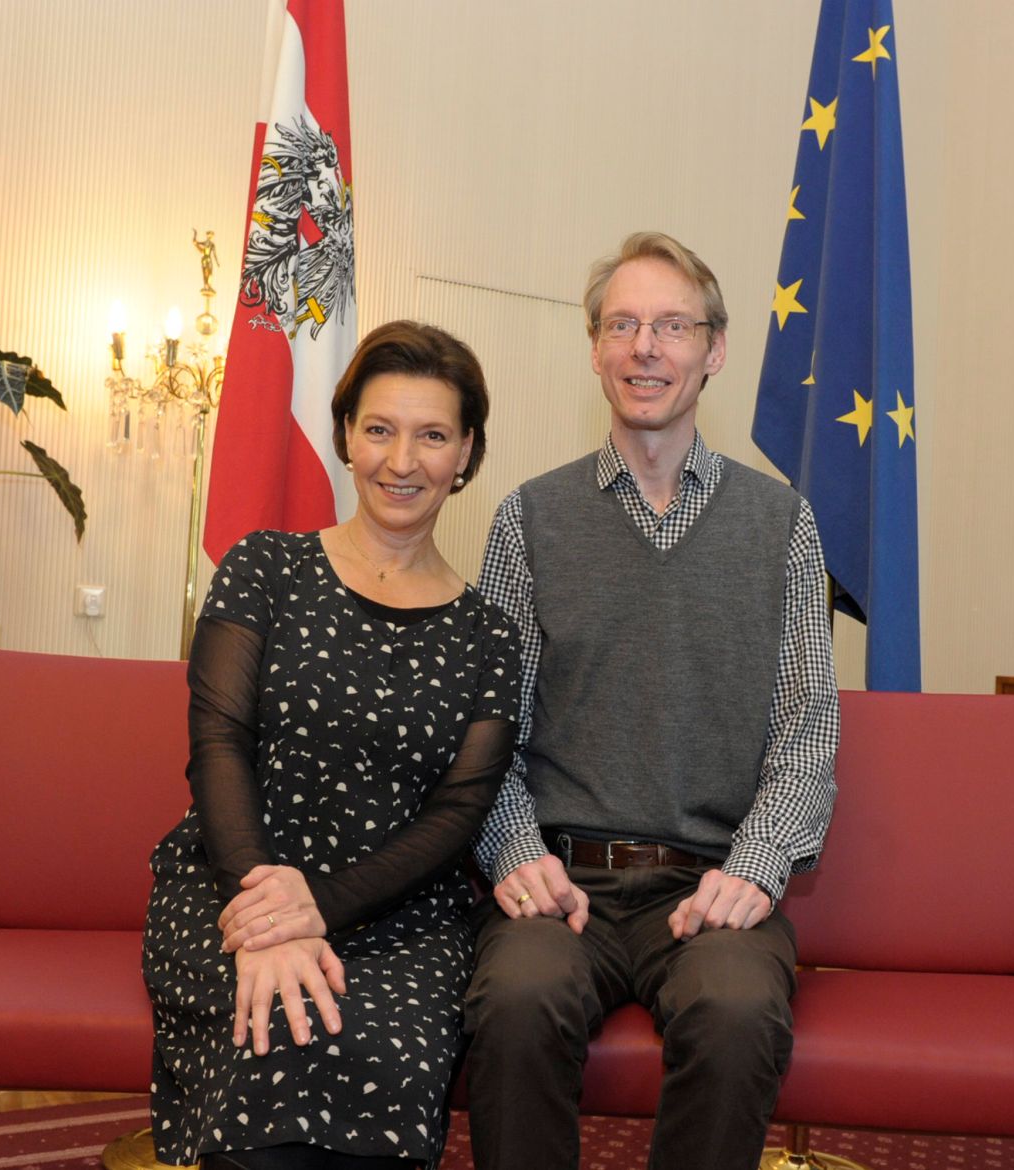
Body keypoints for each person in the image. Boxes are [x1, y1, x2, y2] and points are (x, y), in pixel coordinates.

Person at [464, 231, 840, 1170]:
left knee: (740, 1010)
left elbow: (806, 729)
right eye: (623, 324)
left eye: (673, 326)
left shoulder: (784, 525)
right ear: (594, 348)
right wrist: (514, 849)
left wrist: (753, 871)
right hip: (564, 885)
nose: (646, 347)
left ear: (714, 350)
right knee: (511, 1006)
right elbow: (487, 730)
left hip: (709, 883)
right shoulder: (528, 519)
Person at [143, 320, 519, 1170]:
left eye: (432, 436)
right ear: (346, 434)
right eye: (380, 429)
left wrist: (324, 908)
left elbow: (462, 811)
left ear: (466, 454)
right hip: (231, 884)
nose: (401, 459)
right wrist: (271, 908)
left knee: (378, 1055)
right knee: (271, 1038)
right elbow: (219, 743)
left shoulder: (491, 634)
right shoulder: (265, 569)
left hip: (399, 914)